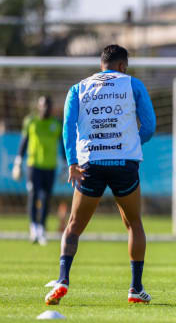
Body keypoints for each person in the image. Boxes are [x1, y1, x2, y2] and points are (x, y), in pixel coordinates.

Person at [44, 44, 156, 305]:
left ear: (101, 64)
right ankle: (135, 288)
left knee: (73, 227)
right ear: (122, 66)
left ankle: (62, 279)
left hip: (90, 164)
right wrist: (133, 142)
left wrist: (72, 162)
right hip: (124, 164)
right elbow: (149, 126)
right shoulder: (133, 84)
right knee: (134, 224)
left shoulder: (79, 88)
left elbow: (68, 127)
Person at [12, 95, 64, 245]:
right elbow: (24, 142)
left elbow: (62, 146)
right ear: (38, 106)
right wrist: (18, 162)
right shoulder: (30, 122)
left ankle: (41, 228)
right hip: (33, 166)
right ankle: (33, 227)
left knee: (46, 197)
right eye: (43, 105)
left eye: (48, 106)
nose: (45, 108)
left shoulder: (56, 124)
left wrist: (65, 166)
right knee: (33, 195)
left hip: (50, 166)